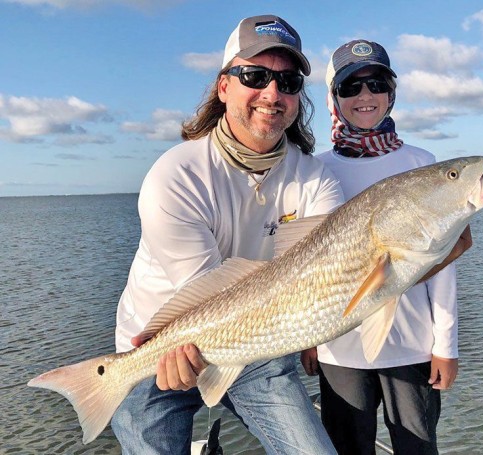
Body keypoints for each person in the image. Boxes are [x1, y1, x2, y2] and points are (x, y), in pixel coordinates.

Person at [111, 15, 342, 455]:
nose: (272, 94)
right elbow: (205, 298)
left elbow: (323, 278)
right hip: (157, 351)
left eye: (288, 81)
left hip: (257, 347)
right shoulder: (175, 176)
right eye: (254, 76)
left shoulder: (316, 180)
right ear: (223, 87)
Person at [301, 40, 472, 455]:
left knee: (417, 447)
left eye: (376, 84)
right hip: (338, 348)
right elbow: (304, 267)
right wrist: (309, 338)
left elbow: (443, 266)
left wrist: (444, 347)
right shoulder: (314, 169)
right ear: (333, 98)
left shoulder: (422, 163)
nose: (365, 96)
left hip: (412, 345)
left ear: (391, 93)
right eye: (349, 87)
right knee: (347, 448)